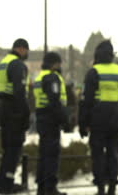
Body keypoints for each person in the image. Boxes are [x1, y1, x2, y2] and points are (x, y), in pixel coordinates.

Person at [79, 40, 118, 195]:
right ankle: (112, 186)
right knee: (113, 152)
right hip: (115, 118)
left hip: (97, 119)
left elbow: (86, 100)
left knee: (97, 153)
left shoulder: (93, 72)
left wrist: (83, 123)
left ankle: (100, 186)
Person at [0, 38, 30, 194]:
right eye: (26, 51)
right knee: (14, 150)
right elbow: (19, 91)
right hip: (14, 111)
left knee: (7, 149)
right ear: (21, 49)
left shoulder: (4, 62)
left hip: (4, 108)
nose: (27, 54)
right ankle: (8, 185)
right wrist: (25, 114)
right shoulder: (17, 64)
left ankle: (3, 183)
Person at [34, 52, 69, 195]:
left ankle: (41, 188)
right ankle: (50, 188)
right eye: (58, 63)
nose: (60, 66)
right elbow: (54, 101)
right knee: (51, 155)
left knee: (43, 154)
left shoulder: (39, 77)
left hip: (42, 117)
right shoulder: (51, 77)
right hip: (51, 119)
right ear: (54, 63)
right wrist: (64, 119)